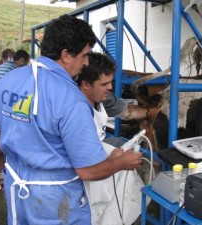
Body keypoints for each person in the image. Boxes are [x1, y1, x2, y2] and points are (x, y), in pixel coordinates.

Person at [0, 14, 142, 225]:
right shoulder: (71, 99)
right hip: (55, 204)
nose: (86, 63)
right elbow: (88, 170)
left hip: (17, 190)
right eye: (84, 55)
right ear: (66, 55)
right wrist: (122, 162)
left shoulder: (9, 80)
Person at [77, 52, 145, 225]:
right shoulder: (75, 112)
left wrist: (114, 151)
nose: (110, 87)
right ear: (85, 84)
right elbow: (85, 164)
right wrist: (119, 160)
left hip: (96, 158)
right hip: (85, 174)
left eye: (111, 82)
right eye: (104, 84)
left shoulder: (99, 99)